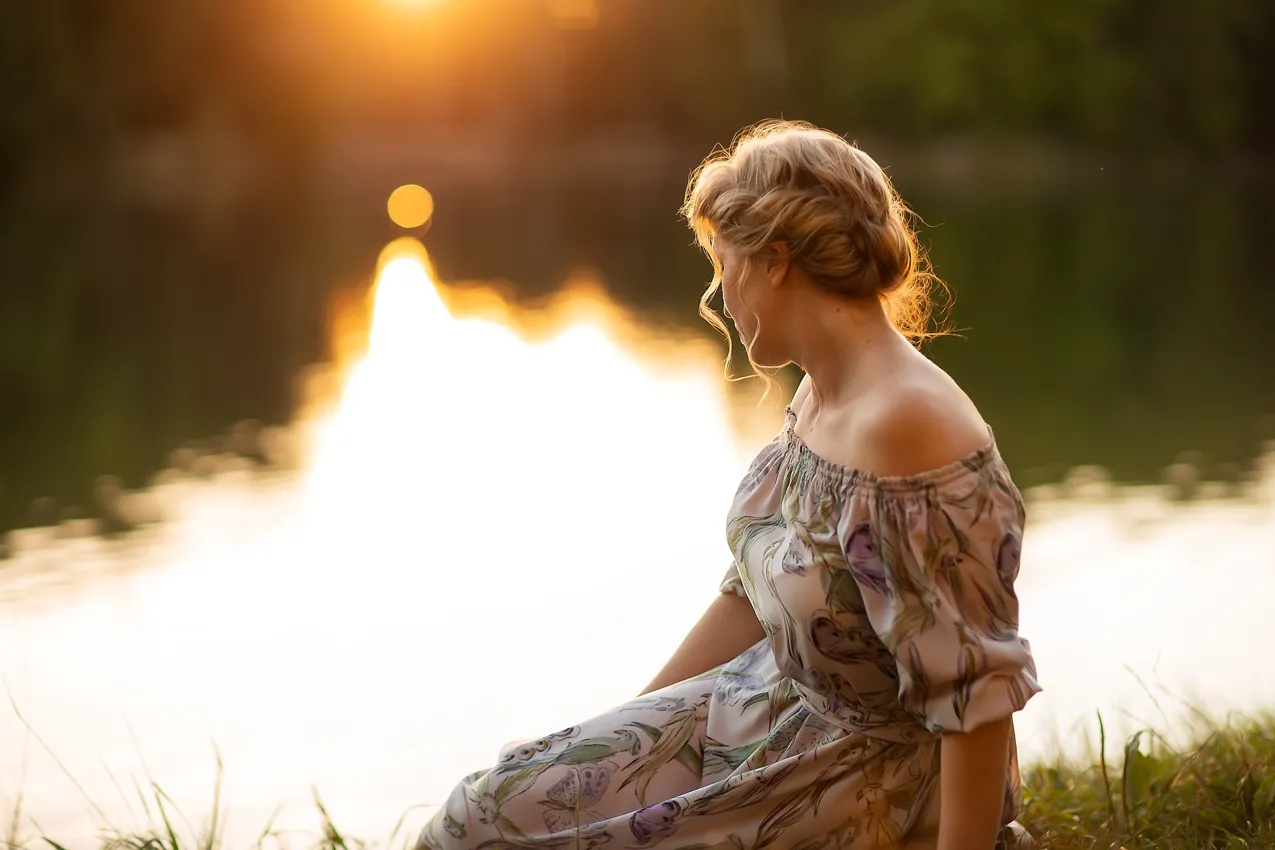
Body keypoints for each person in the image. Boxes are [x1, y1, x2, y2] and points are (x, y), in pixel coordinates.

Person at [415, 120, 1041, 850]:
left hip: (868, 780)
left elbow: (977, 697)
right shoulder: (819, 393)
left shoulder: (909, 429)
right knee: (481, 811)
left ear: (776, 259)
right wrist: (623, 735)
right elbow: (749, 593)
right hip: (764, 709)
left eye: (723, 263)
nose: (717, 296)